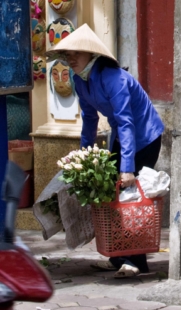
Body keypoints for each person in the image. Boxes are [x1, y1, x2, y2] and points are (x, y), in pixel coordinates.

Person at [47, 23, 164, 278]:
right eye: (68, 55)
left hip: (145, 137)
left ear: (91, 54)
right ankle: (118, 256)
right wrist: (84, 158)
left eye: (77, 53)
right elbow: (89, 120)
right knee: (111, 193)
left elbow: (127, 122)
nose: (71, 59)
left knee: (130, 195)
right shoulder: (79, 81)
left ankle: (134, 261)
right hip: (122, 136)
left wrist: (127, 168)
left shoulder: (114, 78)